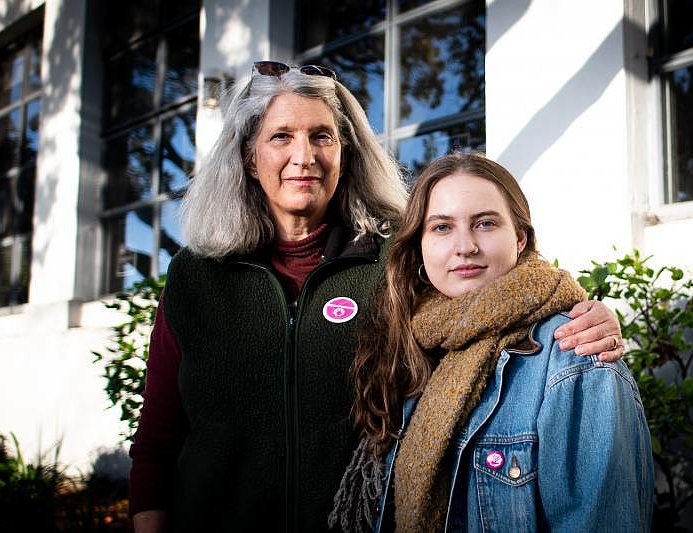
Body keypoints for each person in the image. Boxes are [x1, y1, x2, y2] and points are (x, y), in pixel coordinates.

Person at [129, 62, 626, 532]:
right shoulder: (196, 277)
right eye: (281, 136)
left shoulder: (398, 260)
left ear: (344, 154)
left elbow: (488, 301)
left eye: (321, 136)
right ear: (248, 157)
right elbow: (157, 441)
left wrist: (588, 314)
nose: (304, 156)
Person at [330, 152, 653, 532]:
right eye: (441, 227)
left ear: (519, 237)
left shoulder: (575, 353)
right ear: (419, 244)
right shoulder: (411, 347)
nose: (464, 245)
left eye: (484, 223)